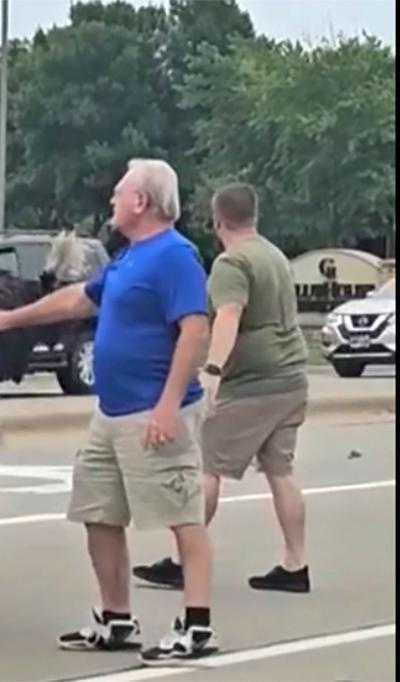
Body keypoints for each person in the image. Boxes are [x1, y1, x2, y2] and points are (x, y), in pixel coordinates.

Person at [0, 159, 217, 664]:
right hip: (111, 413)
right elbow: (79, 301)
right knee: (97, 513)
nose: (112, 199)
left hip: (154, 411)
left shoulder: (176, 257)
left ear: (142, 202)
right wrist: (11, 319)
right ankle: (116, 618)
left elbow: (195, 331)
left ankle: (196, 626)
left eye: (119, 192)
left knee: (182, 516)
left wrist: (169, 406)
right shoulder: (129, 258)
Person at [133, 183, 311, 594]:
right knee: (281, 472)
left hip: (253, 383)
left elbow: (229, 315)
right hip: (291, 377)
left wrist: (212, 369)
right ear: (254, 216)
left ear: (217, 221)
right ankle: (295, 563)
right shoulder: (274, 255)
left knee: (208, 470)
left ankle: (183, 561)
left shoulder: (232, 263)